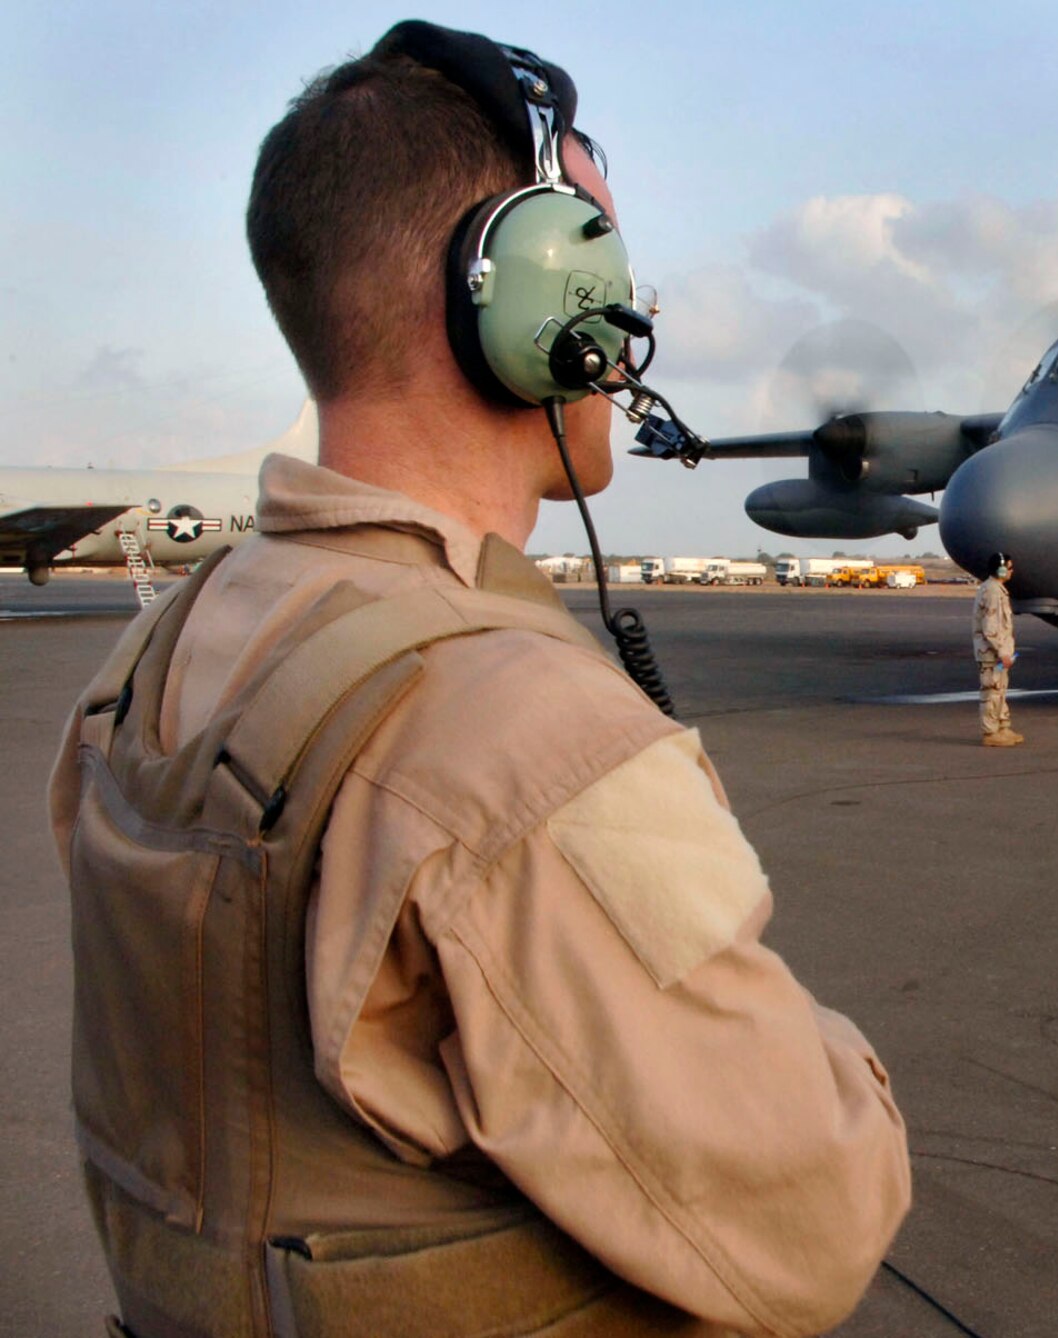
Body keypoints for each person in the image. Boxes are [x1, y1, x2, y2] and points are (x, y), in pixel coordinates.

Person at [48, 21, 908, 1338]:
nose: (628, 330)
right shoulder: (520, 739)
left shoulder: (156, 656)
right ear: (528, 309)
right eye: (609, 276)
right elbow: (820, 1217)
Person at [973, 552, 1022, 746]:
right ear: (1001, 569)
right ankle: (990, 733)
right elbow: (990, 628)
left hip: (999, 655)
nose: (1012, 571)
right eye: (1009, 567)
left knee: (999, 691)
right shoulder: (992, 592)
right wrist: (1002, 653)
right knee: (991, 693)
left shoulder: (998, 590)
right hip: (991, 655)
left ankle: (1003, 727)